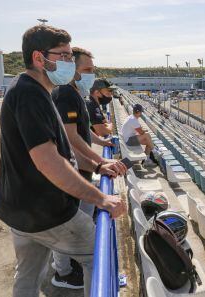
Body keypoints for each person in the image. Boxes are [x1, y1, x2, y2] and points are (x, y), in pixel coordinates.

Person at [0, 25, 126, 297]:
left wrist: (98, 165)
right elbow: (49, 162)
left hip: (19, 209)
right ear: (39, 58)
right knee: (98, 253)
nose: (69, 62)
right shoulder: (31, 94)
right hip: (45, 212)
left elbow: (63, 149)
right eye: (63, 56)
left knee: (29, 277)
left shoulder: (31, 89)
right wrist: (100, 198)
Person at [52, 47, 127, 289]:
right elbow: (71, 137)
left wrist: (102, 145)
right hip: (74, 171)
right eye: (87, 70)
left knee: (74, 226)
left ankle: (65, 269)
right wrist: (98, 163)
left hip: (80, 169)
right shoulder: (65, 93)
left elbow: (84, 134)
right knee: (69, 230)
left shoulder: (75, 94)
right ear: (71, 67)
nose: (91, 74)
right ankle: (63, 272)